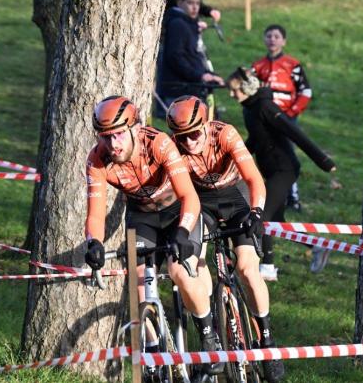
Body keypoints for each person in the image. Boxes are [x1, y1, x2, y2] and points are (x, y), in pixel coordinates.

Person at [83, 96, 224, 376]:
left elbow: (189, 197)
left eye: (119, 134)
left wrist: (183, 232)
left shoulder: (158, 143)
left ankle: (209, 336)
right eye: (106, 137)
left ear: (135, 128)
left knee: (179, 271)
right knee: (139, 292)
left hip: (177, 212)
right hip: (143, 217)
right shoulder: (97, 159)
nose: (113, 145)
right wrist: (93, 243)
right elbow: (96, 214)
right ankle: (153, 354)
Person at [166, 96, 285, 382]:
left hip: (236, 195)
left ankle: (266, 339)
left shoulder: (225, 134)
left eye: (194, 134)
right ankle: (210, 334)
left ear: (206, 126)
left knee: (246, 267)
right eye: (182, 137)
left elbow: (254, 178)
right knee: (191, 263)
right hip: (201, 202)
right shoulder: (175, 147)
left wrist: (256, 211)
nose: (190, 142)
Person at [226, 68, 336, 280]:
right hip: (270, 170)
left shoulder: (265, 106)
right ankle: (317, 248)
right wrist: (234, 161)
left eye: (234, 90)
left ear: (247, 88)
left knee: (263, 216)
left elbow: (294, 133)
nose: (231, 95)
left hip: (284, 169)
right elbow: (255, 139)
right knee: (278, 221)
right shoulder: (248, 108)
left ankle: (267, 267)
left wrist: (324, 161)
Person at [251, 24, 312, 213]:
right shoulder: (257, 66)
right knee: (268, 154)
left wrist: (292, 112)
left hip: (286, 118)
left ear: (283, 41)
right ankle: (267, 193)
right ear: (264, 39)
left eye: (276, 36)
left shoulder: (292, 64)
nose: (272, 39)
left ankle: (293, 198)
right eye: (268, 36)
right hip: (265, 119)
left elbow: (306, 91)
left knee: (288, 155)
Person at [156, 0, 224, 116]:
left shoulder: (190, 24)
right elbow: (176, 57)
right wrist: (200, 76)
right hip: (179, 89)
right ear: (180, 3)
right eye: (190, 3)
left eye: (197, 3)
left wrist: (209, 74)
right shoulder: (178, 24)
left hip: (191, 86)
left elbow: (194, 56)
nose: (195, 7)